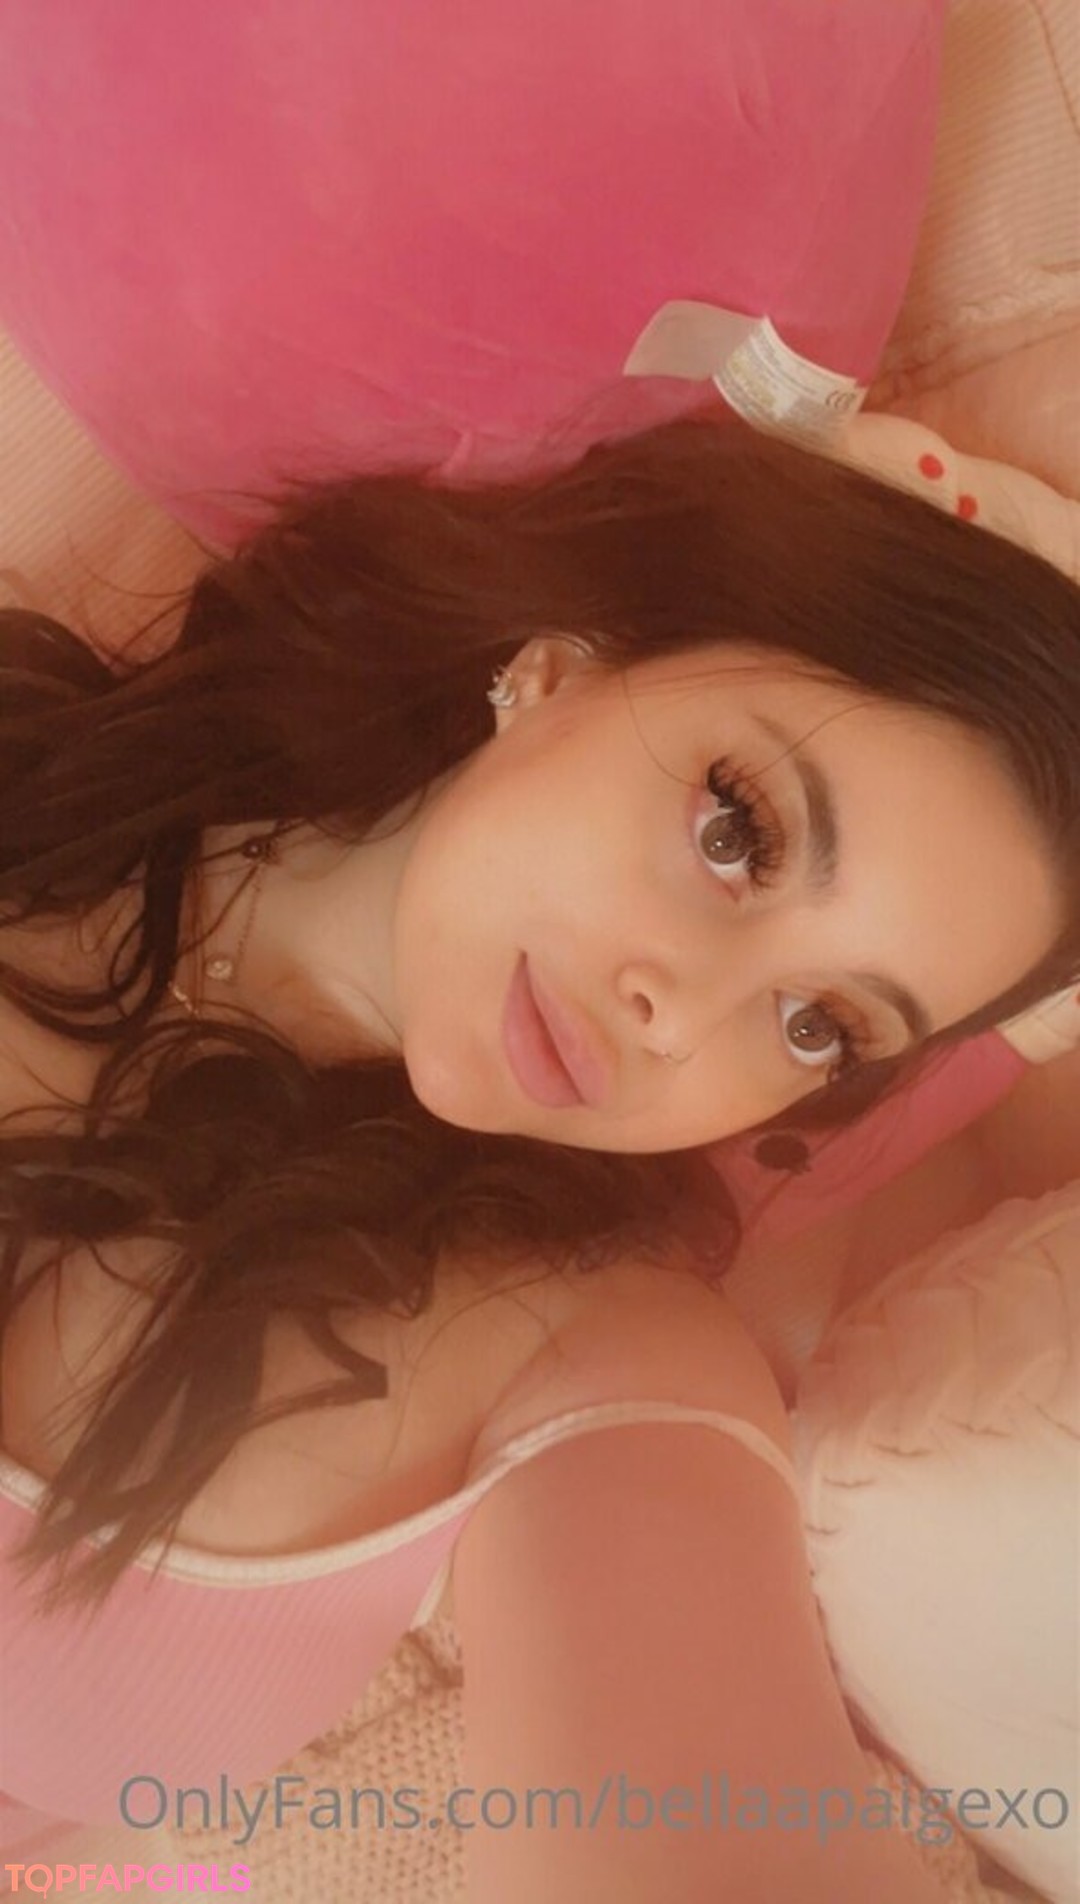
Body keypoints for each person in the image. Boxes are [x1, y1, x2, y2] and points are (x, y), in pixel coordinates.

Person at [1, 416, 1078, 1900]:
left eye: (818, 1024)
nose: (682, 1016)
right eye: (738, 833)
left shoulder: (596, 1342)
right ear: (564, 662)